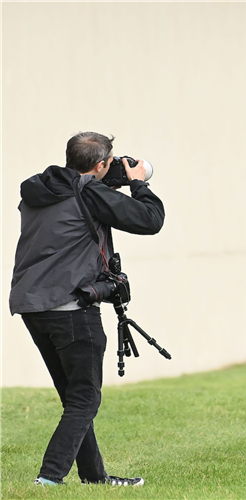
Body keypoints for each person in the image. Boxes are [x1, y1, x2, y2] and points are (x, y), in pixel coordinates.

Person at [9, 132, 165, 486]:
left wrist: (107, 182)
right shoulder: (90, 192)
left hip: (34, 307)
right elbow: (150, 219)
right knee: (85, 399)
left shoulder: (41, 190)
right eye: (109, 164)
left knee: (75, 399)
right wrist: (137, 184)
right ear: (98, 166)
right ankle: (48, 479)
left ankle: (96, 479)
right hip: (72, 309)